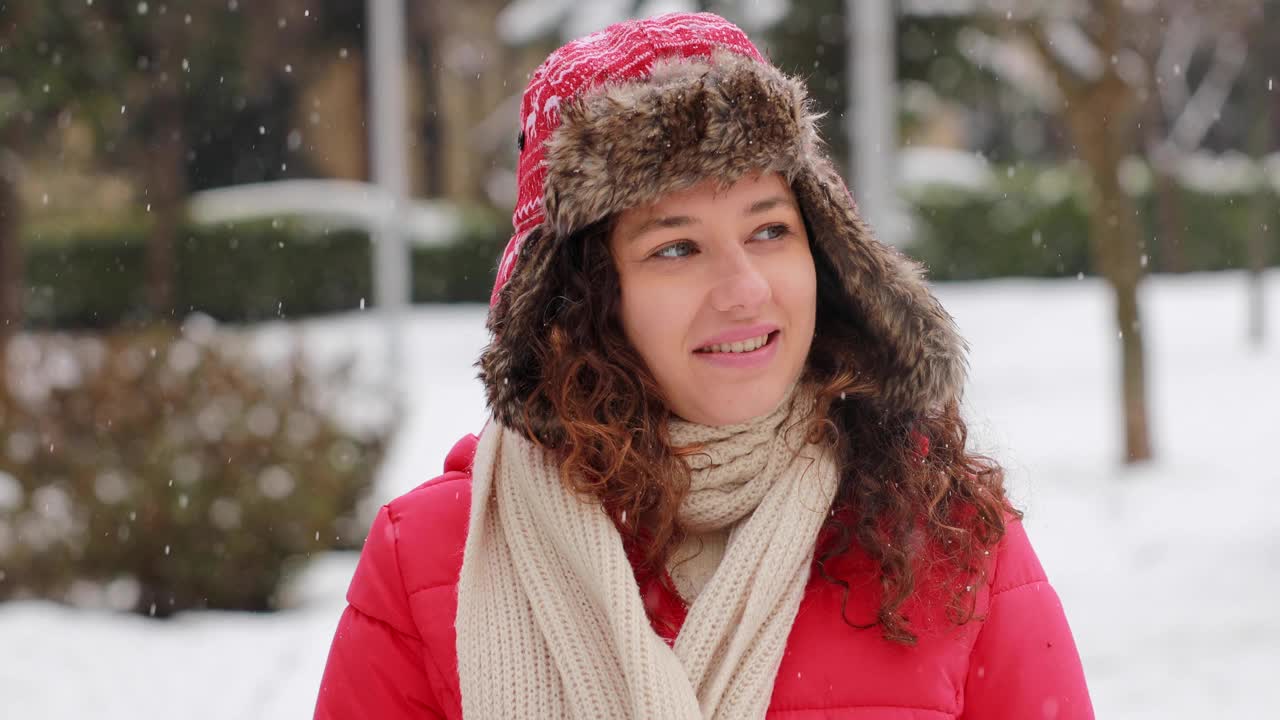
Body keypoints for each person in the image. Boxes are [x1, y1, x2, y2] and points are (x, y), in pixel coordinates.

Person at [314, 11, 1093, 720]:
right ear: (582, 298)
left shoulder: (944, 530)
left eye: (769, 230)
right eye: (676, 247)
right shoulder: (428, 560)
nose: (745, 290)